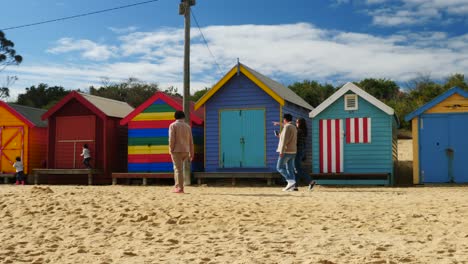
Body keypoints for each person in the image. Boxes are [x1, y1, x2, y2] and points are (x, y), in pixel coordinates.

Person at [169, 110, 194, 194]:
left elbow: (171, 139)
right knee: (177, 168)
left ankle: (180, 188)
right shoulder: (188, 126)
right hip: (186, 150)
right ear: (183, 117)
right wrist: (191, 152)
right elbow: (191, 141)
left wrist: (170, 149)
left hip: (177, 150)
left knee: (178, 169)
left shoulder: (173, 125)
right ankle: (177, 186)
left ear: (175, 117)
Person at [276, 113, 297, 191]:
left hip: (286, 151)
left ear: (285, 119)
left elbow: (284, 140)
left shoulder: (287, 127)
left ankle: (290, 181)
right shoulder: (294, 127)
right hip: (293, 151)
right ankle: (293, 186)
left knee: (279, 167)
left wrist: (281, 151)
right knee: (290, 168)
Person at [294, 118, 316, 191]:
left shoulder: (299, 131)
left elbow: (296, 142)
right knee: (296, 169)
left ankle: (310, 181)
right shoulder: (303, 131)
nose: (296, 123)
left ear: (300, 123)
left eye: (297, 122)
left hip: (297, 151)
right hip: (301, 151)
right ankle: (295, 186)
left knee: (297, 168)